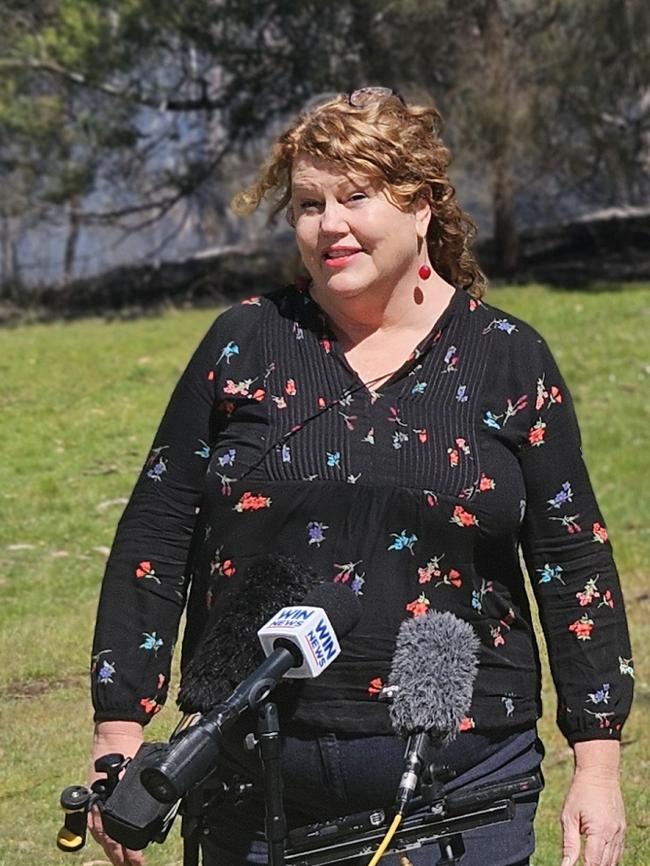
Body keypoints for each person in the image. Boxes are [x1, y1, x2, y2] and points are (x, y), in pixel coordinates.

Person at [88, 88, 633, 866]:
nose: (329, 224)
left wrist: (598, 764)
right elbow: (157, 531)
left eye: (355, 196)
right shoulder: (245, 343)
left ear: (421, 208)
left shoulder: (508, 358)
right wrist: (119, 734)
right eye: (309, 204)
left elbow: (573, 561)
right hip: (250, 788)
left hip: (465, 796)